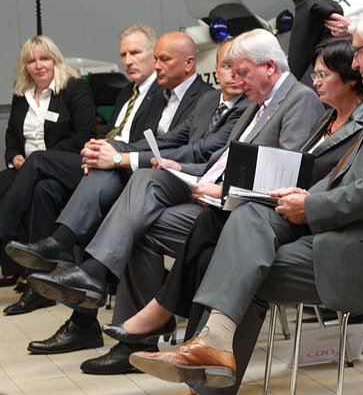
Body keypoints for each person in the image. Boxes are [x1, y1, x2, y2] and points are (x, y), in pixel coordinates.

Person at [128, 6, 363, 394]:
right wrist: (305, 196)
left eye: (357, 52)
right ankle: (211, 347)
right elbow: (355, 178)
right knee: (251, 217)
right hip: (359, 233)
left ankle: (208, 367)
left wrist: (311, 206)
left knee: (243, 268)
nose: (354, 62)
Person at [22, 28, 324, 365]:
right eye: (232, 71)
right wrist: (179, 168)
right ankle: (126, 329)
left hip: (244, 214)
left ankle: (117, 307)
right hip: (214, 195)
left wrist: (221, 190)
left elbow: (287, 176)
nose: (237, 81)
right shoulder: (258, 105)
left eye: (242, 72)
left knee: (140, 209)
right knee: (143, 207)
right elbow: (218, 161)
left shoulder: (298, 99)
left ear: (269, 66)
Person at [99, 36, 363, 370]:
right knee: (197, 243)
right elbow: (230, 159)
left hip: (302, 218)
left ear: (350, 78)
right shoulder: (325, 119)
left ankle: (171, 322)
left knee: (213, 233)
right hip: (268, 209)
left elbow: (306, 176)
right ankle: (195, 355)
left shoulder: (357, 119)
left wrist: (228, 192)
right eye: (314, 74)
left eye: (322, 75)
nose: (314, 81)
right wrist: (199, 177)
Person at [2, 28, 212, 315]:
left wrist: (115, 156)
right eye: (123, 54)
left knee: (44, 163)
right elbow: (147, 139)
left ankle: (51, 247)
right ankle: (64, 298)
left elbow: (185, 149)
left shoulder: (190, 96)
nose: (129, 61)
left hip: (156, 178)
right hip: (124, 167)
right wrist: (105, 150)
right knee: (45, 189)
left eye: (138, 53)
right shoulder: (136, 92)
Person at [0, 35, 95, 288]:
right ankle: (13, 268)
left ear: (55, 60)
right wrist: (13, 155)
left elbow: (84, 135)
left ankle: (5, 231)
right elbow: (12, 133)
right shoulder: (22, 93)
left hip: (63, 166)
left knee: (39, 180)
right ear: (25, 66)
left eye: (44, 58)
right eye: (32, 61)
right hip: (27, 168)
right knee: (4, 183)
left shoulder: (74, 88)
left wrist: (43, 158)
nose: (39, 65)